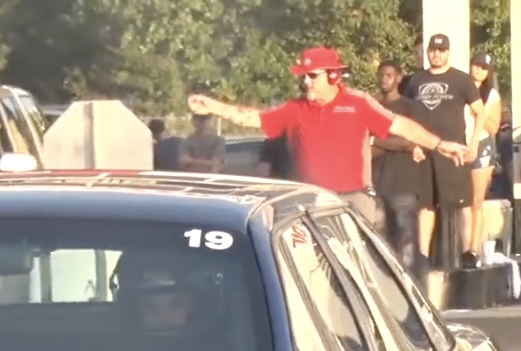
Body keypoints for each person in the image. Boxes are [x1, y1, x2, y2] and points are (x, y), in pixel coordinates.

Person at [186, 47, 469, 231]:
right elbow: (253, 118)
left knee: (360, 274)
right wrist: (214, 106)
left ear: (333, 75)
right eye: (303, 76)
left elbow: (401, 125)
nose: (305, 81)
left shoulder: (358, 103)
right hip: (307, 205)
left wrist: (440, 144)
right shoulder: (294, 109)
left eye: (312, 75)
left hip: (353, 202)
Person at [402, 33, 485, 268]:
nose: (436, 54)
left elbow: (481, 112)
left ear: (448, 52)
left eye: (441, 50)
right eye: (432, 50)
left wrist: (474, 143)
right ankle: (422, 255)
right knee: (425, 204)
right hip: (426, 151)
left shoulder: (462, 80)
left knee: (462, 203)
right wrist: (413, 144)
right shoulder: (415, 81)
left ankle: (468, 251)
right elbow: (406, 117)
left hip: (455, 150)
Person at [372, 61, 435, 280]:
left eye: (389, 74)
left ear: (399, 78)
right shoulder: (373, 108)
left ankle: (413, 289)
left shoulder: (411, 108)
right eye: (381, 75)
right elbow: (368, 145)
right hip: (376, 184)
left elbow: (416, 138)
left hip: (404, 185)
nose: (384, 79)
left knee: (407, 242)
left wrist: (383, 140)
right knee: (380, 242)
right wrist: (402, 144)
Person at [467, 51, 504, 262]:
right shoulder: (461, 87)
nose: (479, 70)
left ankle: (474, 248)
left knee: (476, 201)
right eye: (477, 65)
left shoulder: (491, 95)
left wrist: (478, 111)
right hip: (460, 144)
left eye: (484, 68)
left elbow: (493, 127)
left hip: (481, 145)